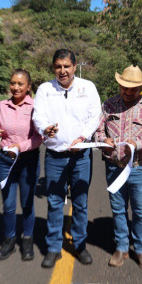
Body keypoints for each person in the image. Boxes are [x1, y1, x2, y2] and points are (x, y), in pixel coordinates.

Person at [32, 49, 101, 268]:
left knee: (80, 202)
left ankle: (79, 245)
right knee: (54, 202)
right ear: (53, 68)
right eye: (58, 66)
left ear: (74, 66)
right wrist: (45, 128)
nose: (62, 71)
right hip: (54, 157)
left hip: (81, 157)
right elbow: (38, 116)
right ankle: (53, 247)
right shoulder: (45, 89)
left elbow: (95, 115)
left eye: (66, 66)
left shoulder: (87, 87)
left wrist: (83, 137)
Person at [94, 65, 142, 270]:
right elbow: (98, 130)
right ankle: (121, 247)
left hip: (140, 167)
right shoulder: (108, 105)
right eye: (124, 87)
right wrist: (103, 139)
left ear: (140, 88)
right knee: (118, 210)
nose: (127, 92)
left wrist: (138, 144)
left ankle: (141, 249)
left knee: (141, 211)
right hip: (114, 167)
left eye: (132, 89)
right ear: (119, 85)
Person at [0, 69, 42, 261]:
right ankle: (9, 240)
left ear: (28, 87)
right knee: (8, 205)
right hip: (6, 161)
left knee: (27, 204)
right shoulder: (1, 106)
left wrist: (22, 146)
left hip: (28, 160)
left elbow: (39, 137)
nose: (15, 87)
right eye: (13, 83)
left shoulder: (36, 106)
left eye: (20, 84)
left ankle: (27, 240)